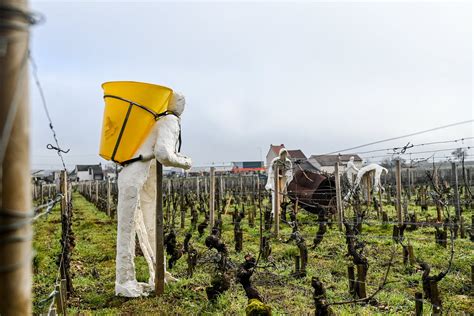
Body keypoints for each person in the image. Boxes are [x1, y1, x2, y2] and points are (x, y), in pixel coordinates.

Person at [115, 92, 192, 297]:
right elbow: (163, 154)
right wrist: (185, 162)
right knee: (128, 230)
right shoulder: (170, 120)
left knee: (149, 225)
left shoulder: (156, 120)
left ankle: (158, 272)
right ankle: (124, 281)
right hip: (135, 180)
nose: (183, 105)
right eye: (182, 102)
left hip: (136, 177)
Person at [265, 148, 293, 216]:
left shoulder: (288, 161)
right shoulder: (275, 160)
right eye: (282, 154)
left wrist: (286, 176)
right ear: (280, 154)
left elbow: (290, 170)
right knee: (275, 194)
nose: (284, 155)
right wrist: (275, 176)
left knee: (282, 193)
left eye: (285, 154)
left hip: (283, 178)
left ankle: (281, 210)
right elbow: (271, 171)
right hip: (275, 178)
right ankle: (275, 211)